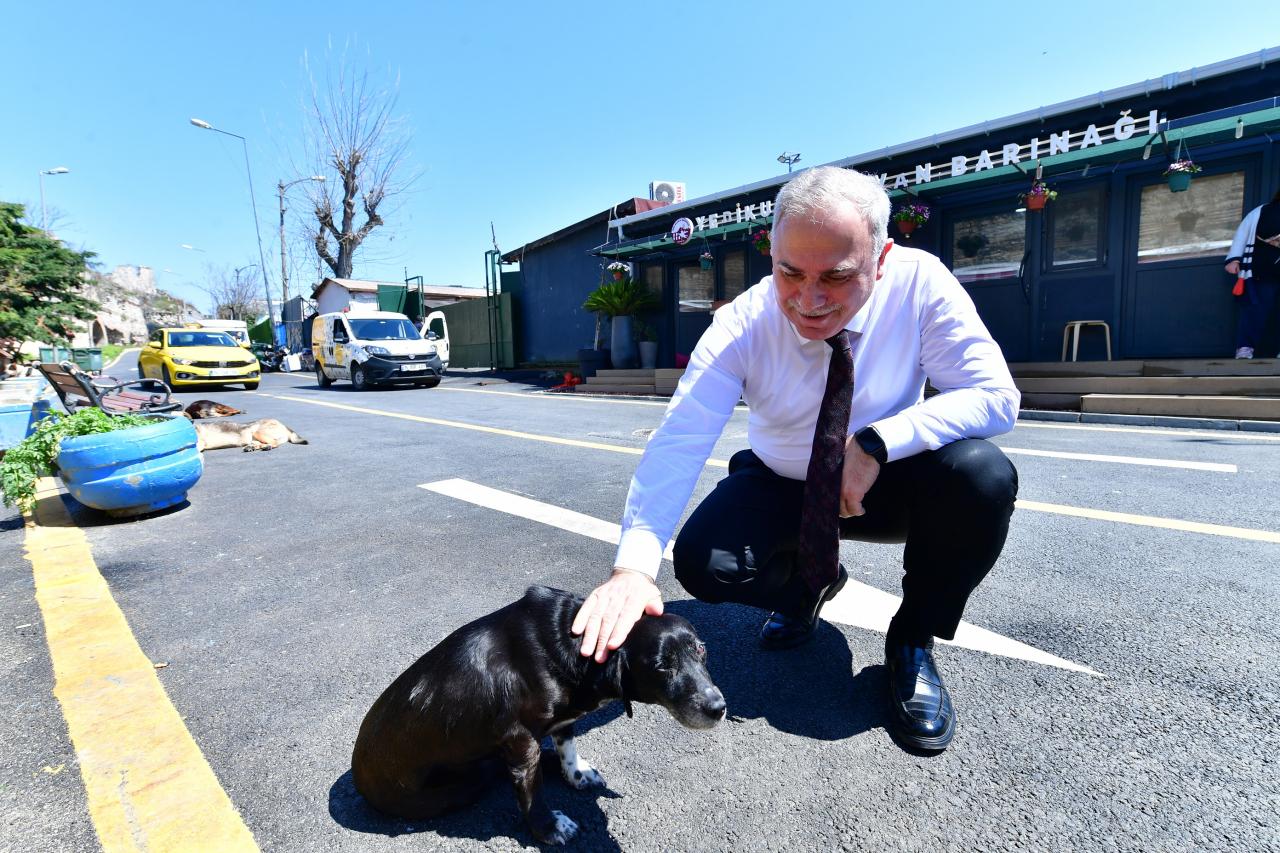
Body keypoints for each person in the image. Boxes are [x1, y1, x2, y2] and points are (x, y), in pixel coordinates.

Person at [571, 166, 1020, 752]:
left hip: (884, 484)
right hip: (783, 481)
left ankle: (911, 641)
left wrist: (878, 442)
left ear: (880, 259)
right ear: (772, 253)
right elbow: (680, 439)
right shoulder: (743, 322)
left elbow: (995, 396)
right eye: (790, 272)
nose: (809, 301)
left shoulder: (919, 283)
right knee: (704, 560)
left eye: (837, 276)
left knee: (983, 478)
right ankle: (813, 582)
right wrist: (631, 569)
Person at [1225, 189, 1280, 359]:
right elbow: (1243, 233)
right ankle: (1245, 348)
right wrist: (1233, 259)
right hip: (1261, 269)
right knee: (1254, 309)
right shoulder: (1261, 211)